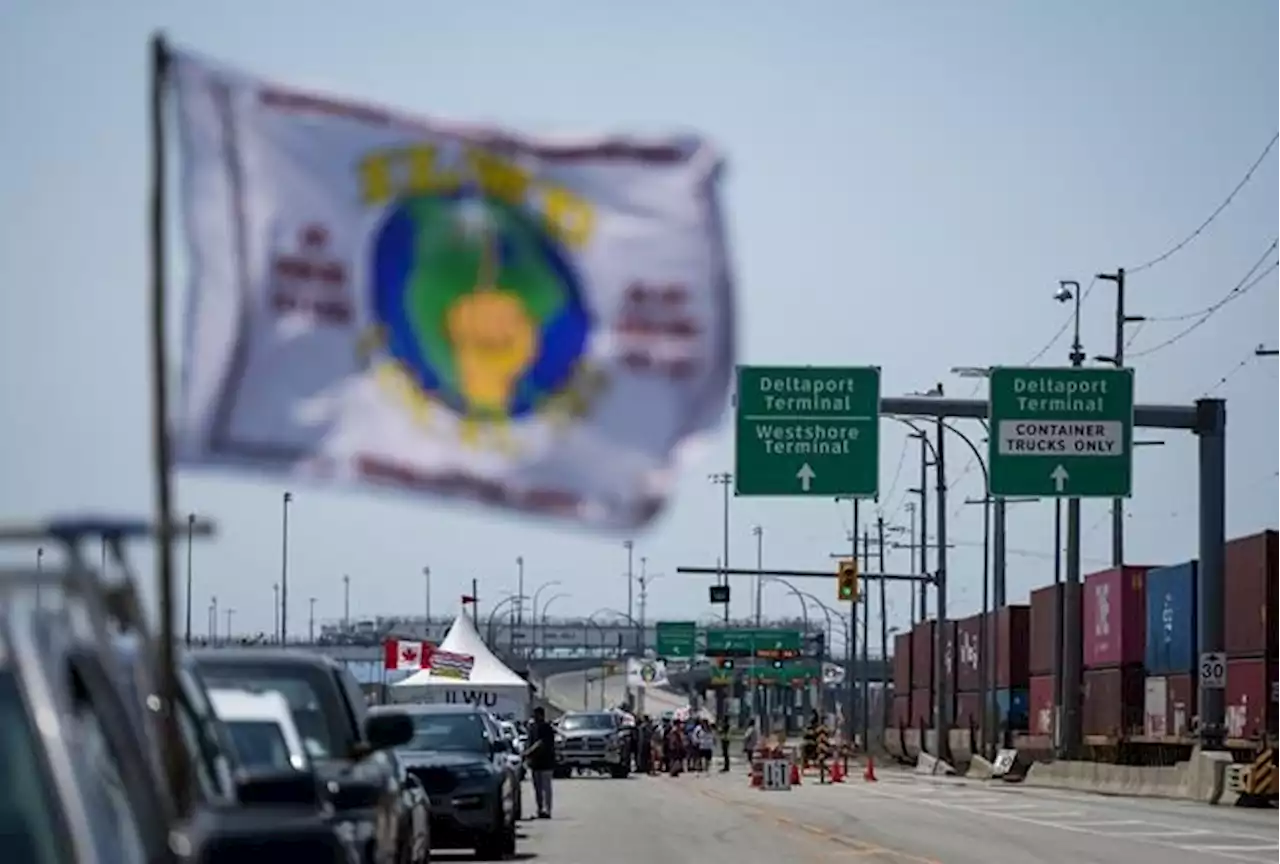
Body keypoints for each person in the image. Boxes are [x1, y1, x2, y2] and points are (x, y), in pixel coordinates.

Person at [523, 707, 557, 819]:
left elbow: (541, 743)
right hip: (535, 763)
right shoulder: (532, 728)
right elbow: (529, 741)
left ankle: (548, 810)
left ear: (542, 715)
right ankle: (539, 809)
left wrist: (528, 752)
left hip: (547, 762)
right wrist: (526, 755)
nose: (535, 718)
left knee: (546, 788)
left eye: (537, 715)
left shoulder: (547, 728)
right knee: (537, 788)